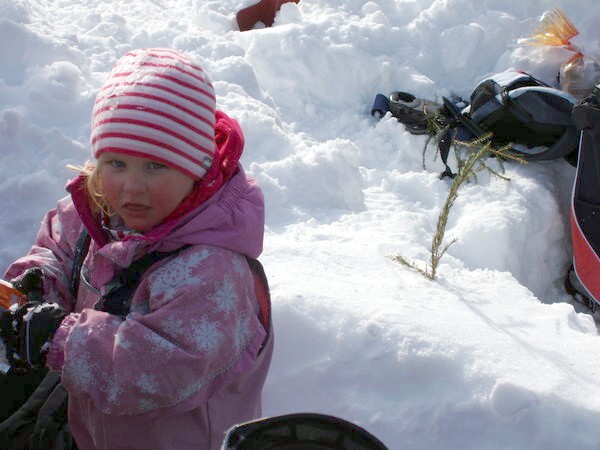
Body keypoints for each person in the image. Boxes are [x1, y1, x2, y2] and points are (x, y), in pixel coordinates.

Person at [0, 48, 273, 450]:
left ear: (195, 169)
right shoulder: (98, 211)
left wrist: (57, 337)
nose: (131, 187)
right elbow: (57, 248)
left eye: (155, 166)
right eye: (116, 163)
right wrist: (39, 281)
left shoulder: (214, 270)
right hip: (93, 426)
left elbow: (156, 370)